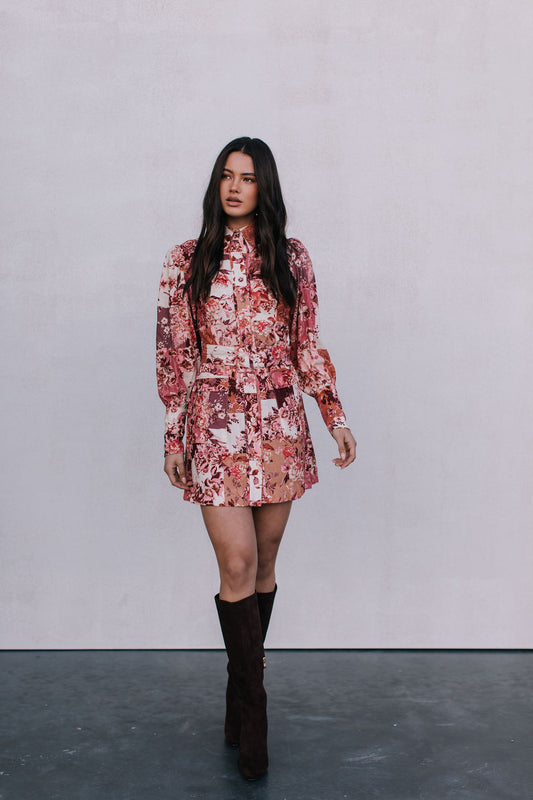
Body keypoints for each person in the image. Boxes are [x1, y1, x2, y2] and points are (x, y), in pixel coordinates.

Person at [156, 137, 356, 780]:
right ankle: (257, 712)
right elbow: (174, 360)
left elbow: (308, 346)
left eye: (248, 178)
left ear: (265, 187)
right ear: (216, 185)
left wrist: (334, 417)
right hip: (214, 426)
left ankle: (238, 691)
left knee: (265, 564)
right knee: (236, 562)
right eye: (226, 176)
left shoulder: (291, 259)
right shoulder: (185, 261)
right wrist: (173, 437)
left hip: (278, 426)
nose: (235, 187)